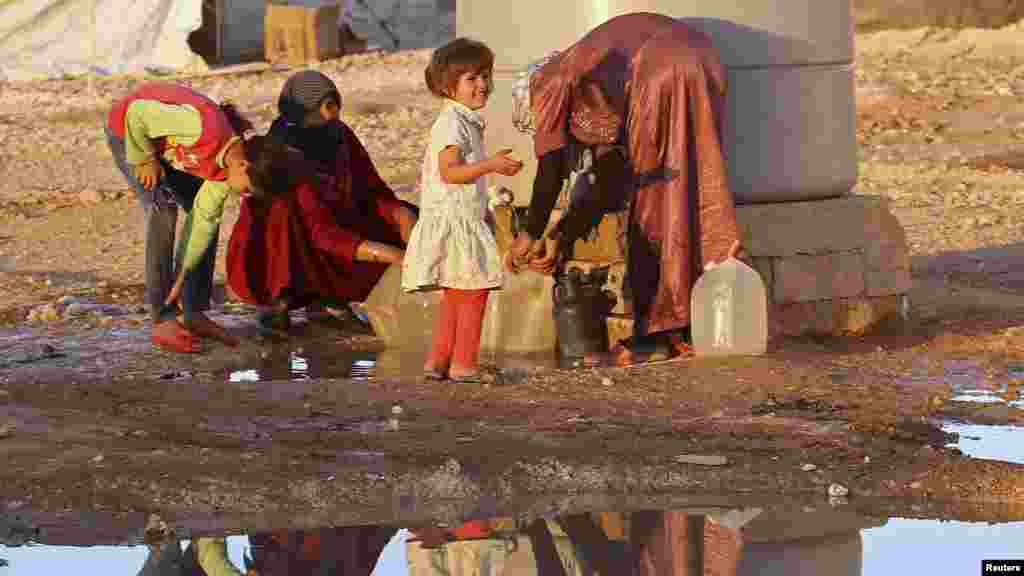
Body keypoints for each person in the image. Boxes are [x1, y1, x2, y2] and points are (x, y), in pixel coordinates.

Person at [504, 12, 745, 366]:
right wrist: (562, 234)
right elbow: (610, 178)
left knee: (652, 205)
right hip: (704, 58)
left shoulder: (549, 82)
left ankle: (656, 335)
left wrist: (529, 233)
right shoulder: (600, 86)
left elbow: (551, 167)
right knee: (693, 190)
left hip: (658, 69)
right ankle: (692, 328)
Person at [227, 70, 416, 331]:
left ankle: (330, 299)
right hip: (294, 247)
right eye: (327, 106)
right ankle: (283, 302)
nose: (333, 113)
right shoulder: (282, 155)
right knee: (283, 220)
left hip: (332, 223)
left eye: (334, 104)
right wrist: (396, 256)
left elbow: (371, 188)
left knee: (409, 216)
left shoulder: (339, 135)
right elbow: (323, 234)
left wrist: (400, 215)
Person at [401, 37, 523, 382]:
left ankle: (439, 361)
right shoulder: (452, 124)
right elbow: (449, 172)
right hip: (454, 221)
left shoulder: (462, 120)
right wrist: (491, 165)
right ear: (447, 86)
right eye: (471, 78)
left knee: (457, 291)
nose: (482, 84)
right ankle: (464, 365)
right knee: (474, 289)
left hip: (459, 217)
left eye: (485, 76)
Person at [105, 81, 255, 353]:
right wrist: (144, 159)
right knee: (163, 209)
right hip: (129, 132)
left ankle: (193, 312)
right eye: (248, 189)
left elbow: (201, 225)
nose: (243, 195)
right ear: (244, 165)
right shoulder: (203, 128)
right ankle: (162, 319)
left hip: (164, 147)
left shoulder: (227, 172)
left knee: (205, 216)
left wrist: (182, 275)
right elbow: (136, 113)